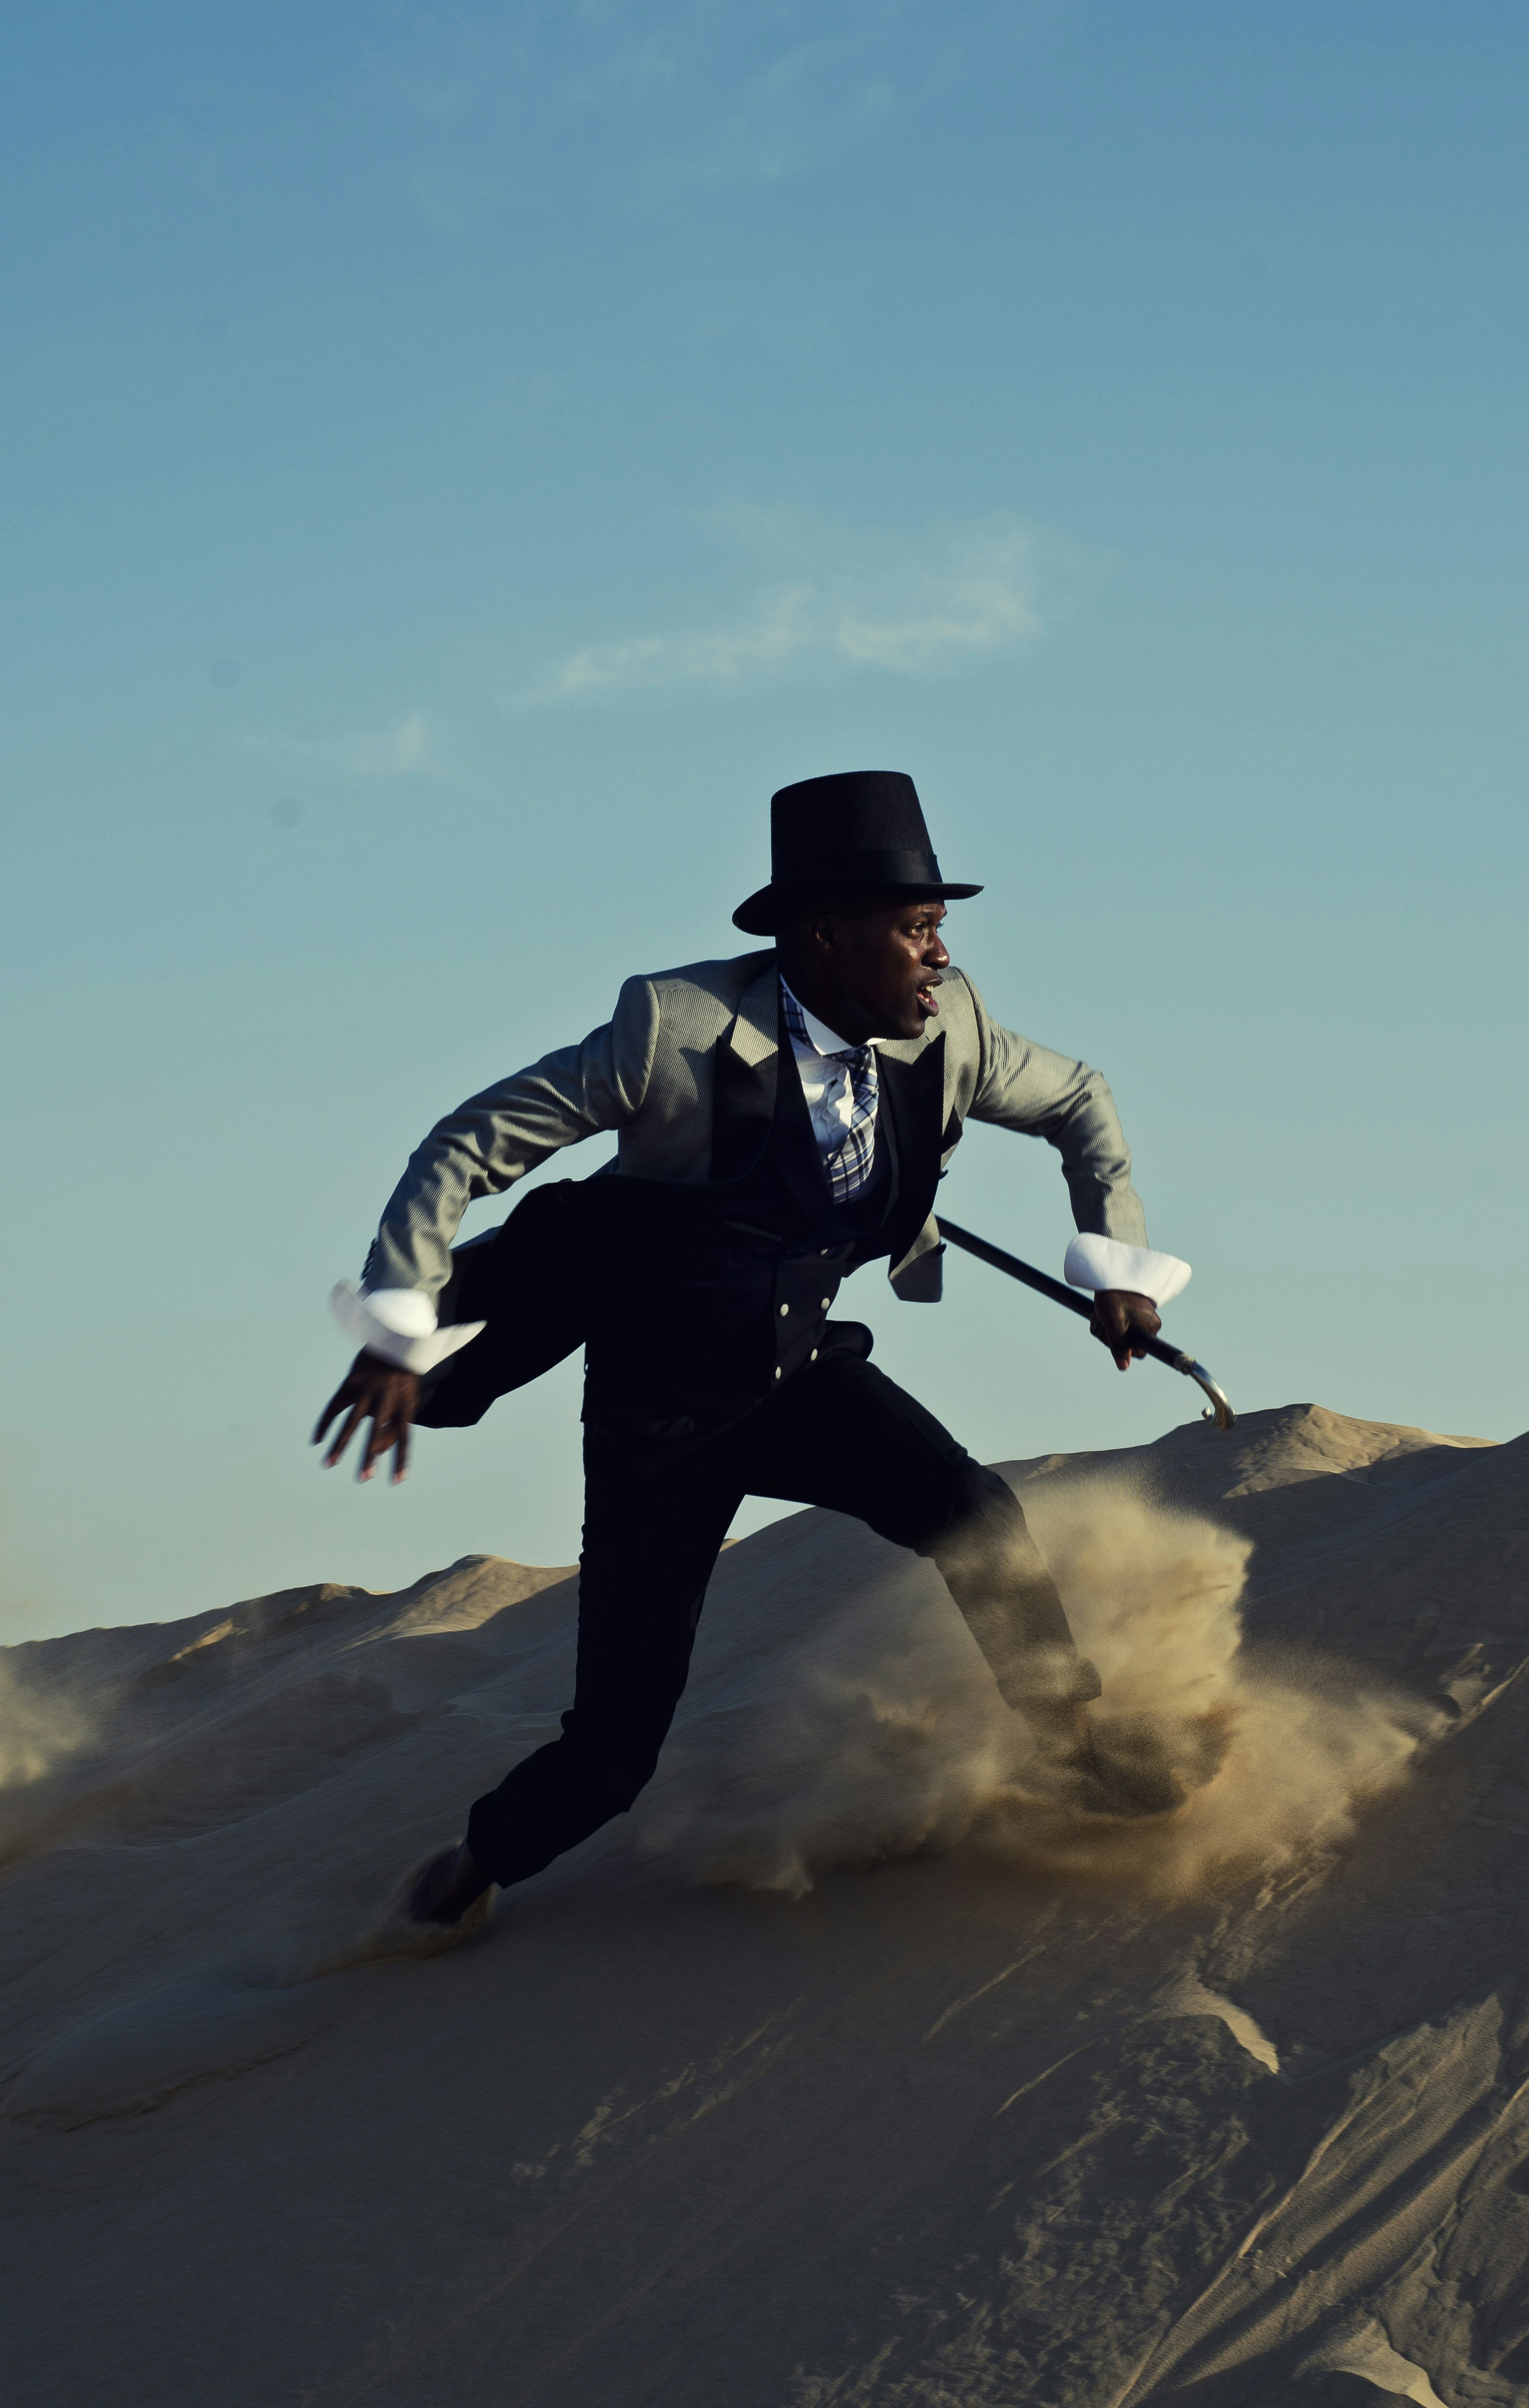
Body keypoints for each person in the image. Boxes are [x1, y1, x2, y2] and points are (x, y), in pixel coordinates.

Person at [313, 772, 1189, 1937]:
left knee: (973, 1511)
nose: (938, 956)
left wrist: (1118, 1272)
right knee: (613, 1752)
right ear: (826, 932)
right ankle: (468, 1869)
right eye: (916, 928)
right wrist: (397, 1322)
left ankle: (1070, 1744)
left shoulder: (951, 1027)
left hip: (798, 1373)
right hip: (662, 1420)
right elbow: (470, 1141)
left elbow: (1081, 1097)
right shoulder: (672, 1032)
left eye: (942, 930)